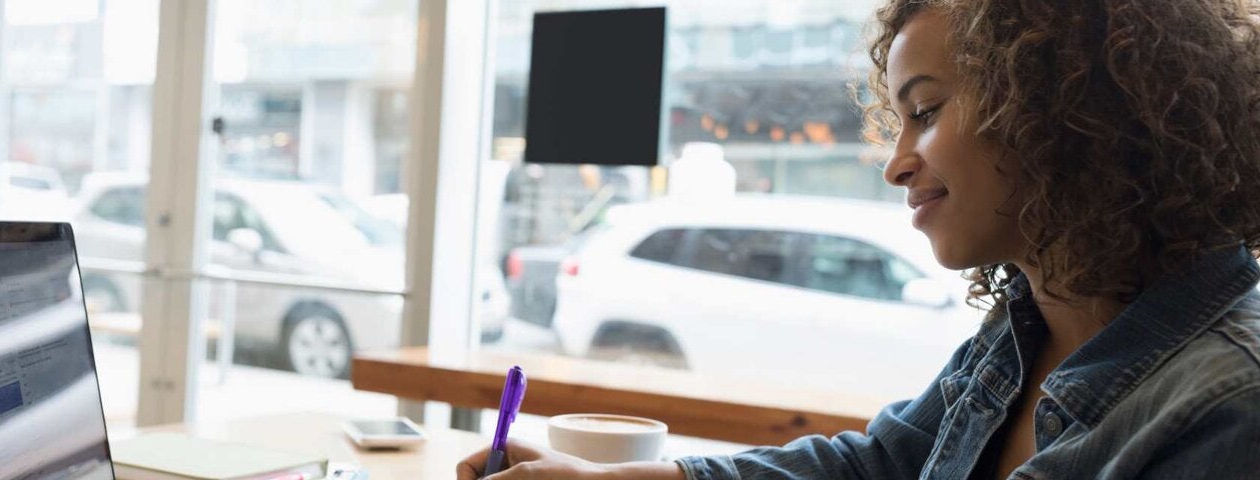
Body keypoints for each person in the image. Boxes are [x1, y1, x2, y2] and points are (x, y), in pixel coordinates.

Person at [456, 0, 1260, 478]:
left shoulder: (1232, 407)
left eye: (928, 109)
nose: (897, 164)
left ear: (1066, 107)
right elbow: (877, 466)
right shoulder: (1023, 330)